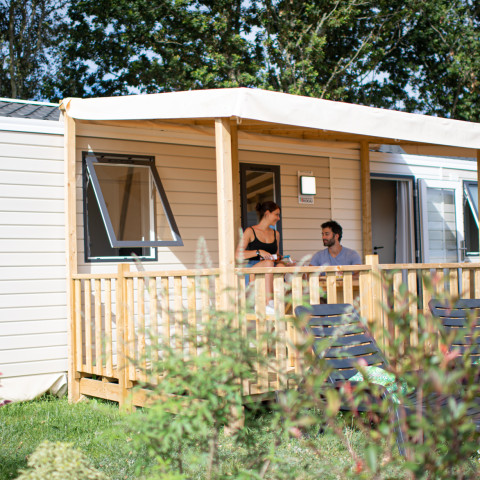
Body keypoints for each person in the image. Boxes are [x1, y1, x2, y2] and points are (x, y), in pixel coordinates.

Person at [236, 201, 281, 314]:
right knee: (268, 263)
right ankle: (269, 303)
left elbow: (275, 256)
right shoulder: (250, 231)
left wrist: (284, 260)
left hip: (270, 269)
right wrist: (258, 252)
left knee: (280, 265)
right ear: (267, 213)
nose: (278, 218)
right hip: (253, 269)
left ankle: (281, 302)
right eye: (276, 214)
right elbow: (238, 255)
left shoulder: (276, 234)